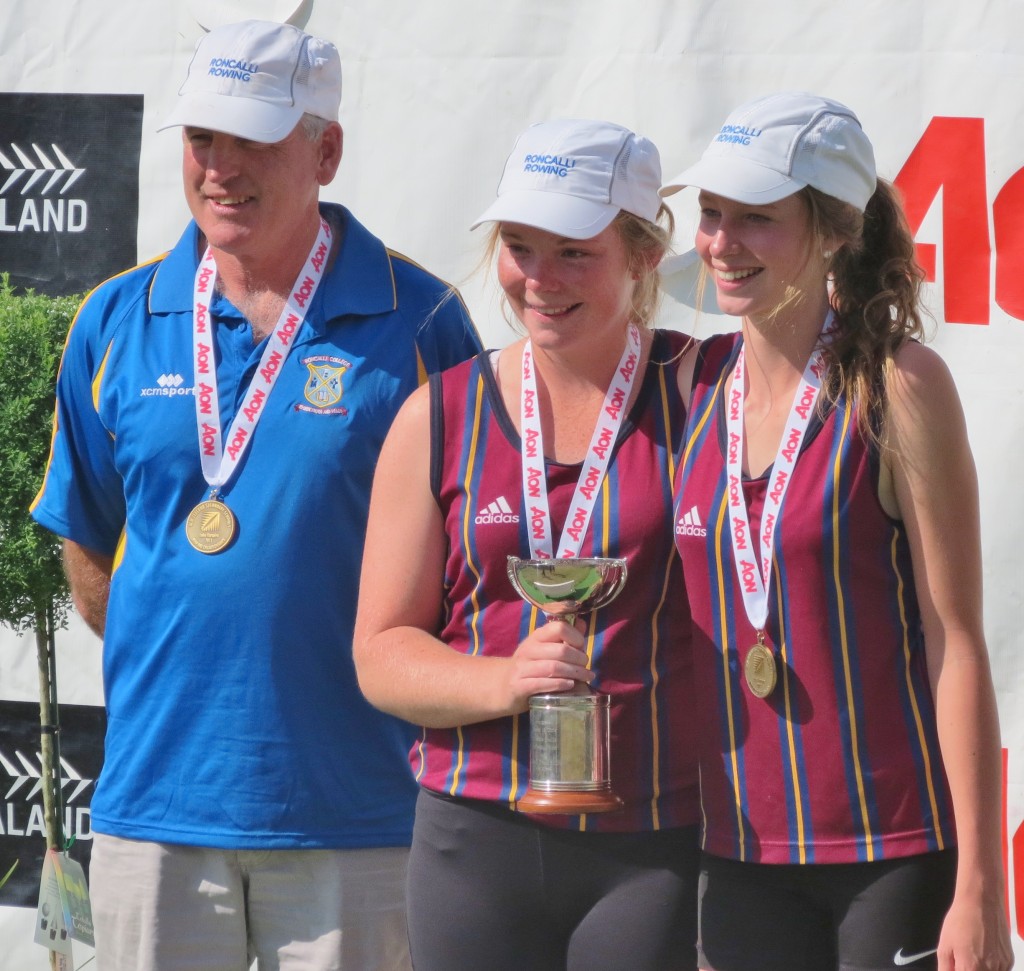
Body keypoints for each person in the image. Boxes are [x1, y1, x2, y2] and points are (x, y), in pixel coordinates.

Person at [30, 19, 481, 971]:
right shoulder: (116, 315)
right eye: (202, 138)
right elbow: (87, 530)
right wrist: (189, 649)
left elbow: (472, 563)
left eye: (254, 139)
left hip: (359, 812)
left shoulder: (425, 320)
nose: (221, 167)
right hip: (153, 809)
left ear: (326, 149)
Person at [665, 92, 1013, 971]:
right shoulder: (692, 386)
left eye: (756, 218)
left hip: (891, 856)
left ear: (831, 230)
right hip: (737, 858)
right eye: (711, 214)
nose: (721, 243)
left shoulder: (901, 384)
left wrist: (983, 887)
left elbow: (957, 642)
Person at [353, 118, 701, 970]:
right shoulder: (440, 414)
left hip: (654, 836)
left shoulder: (706, 392)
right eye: (519, 246)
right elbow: (381, 652)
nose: (539, 279)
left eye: (574, 251)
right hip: (473, 834)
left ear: (645, 254)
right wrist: (508, 679)